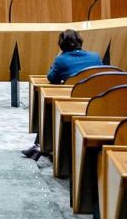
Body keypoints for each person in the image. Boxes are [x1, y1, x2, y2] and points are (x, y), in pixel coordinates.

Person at [23, 29, 103, 161]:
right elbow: (101, 75)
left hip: (72, 102)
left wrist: (59, 57)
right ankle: (39, 145)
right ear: (80, 41)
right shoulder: (95, 56)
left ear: (61, 45)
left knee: (48, 106)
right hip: (94, 101)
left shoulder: (61, 60)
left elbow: (52, 78)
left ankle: (39, 145)